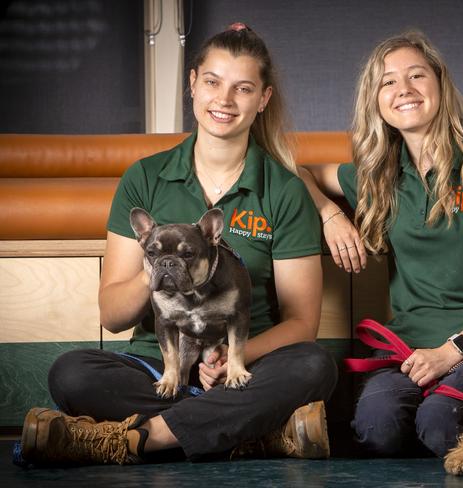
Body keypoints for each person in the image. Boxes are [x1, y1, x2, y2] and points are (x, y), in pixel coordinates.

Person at [20, 23, 337, 466]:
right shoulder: (145, 177)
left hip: (244, 367)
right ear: (193, 84)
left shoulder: (283, 190)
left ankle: (136, 438)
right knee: (71, 373)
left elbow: (302, 323)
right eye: (212, 82)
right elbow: (112, 316)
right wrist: (159, 266)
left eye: (243, 88)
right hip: (158, 368)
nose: (224, 100)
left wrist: (231, 359)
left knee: (314, 366)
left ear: (263, 99)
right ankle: (254, 433)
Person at [299, 30, 463, 457]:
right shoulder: (378, 179)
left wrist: (452, 353)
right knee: (378, 428)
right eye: (388, 82)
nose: (404, 90)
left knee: (440, 424)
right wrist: (331, 214)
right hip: (407, 350)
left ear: (440, 85)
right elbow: (298, 171)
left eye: (416, 76)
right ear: (376, 100)